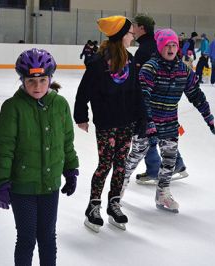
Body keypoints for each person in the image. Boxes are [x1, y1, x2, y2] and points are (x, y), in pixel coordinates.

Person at [0, 48, 79, 266]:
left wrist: (71, 169)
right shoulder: (13, 108)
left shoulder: (60, 105)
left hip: (50, 186)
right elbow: (3, 147)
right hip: (23, 188)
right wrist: (1, 182)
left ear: (50, 79)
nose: (37, 86)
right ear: (22, 80)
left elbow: (67, 141)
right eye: (31, 80)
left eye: (42, 80)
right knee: (27, 239)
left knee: (48, 238)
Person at [124, 28, 215, 213]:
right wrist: (148, 123)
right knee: (135, 156)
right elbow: (143, 98)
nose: (171, 48)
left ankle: (163, 193)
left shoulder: (184, 70)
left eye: (174, 44)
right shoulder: (150, 68)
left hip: (169, 123)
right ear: (160, 47)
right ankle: (119, 187)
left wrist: (208, 116)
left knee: (169, 161)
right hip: (146, 123)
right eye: (167, 45)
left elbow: (195, 94)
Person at [74, 16, 143, 232]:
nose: (133, 36)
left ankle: (114, 203)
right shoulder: (97, 62)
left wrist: (142, 118)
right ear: (122, 35)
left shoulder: (130, 61)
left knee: (120, 164)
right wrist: (82, 116)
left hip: (126, 122)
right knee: (105, 164)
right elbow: (83, 92)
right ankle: (94, 206)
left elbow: (137, 92)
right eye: (130, 33)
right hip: (106, 122)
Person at [129, 13, 188, 186]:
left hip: (152, 102)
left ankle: (155, 169)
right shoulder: (157, 44)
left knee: (146, 135)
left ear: (141, 28)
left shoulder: (145, 49)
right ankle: (177, 163)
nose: (132, 29)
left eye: (134, 25)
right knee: (161, 135)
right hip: (165, 101)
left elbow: (141, 82)